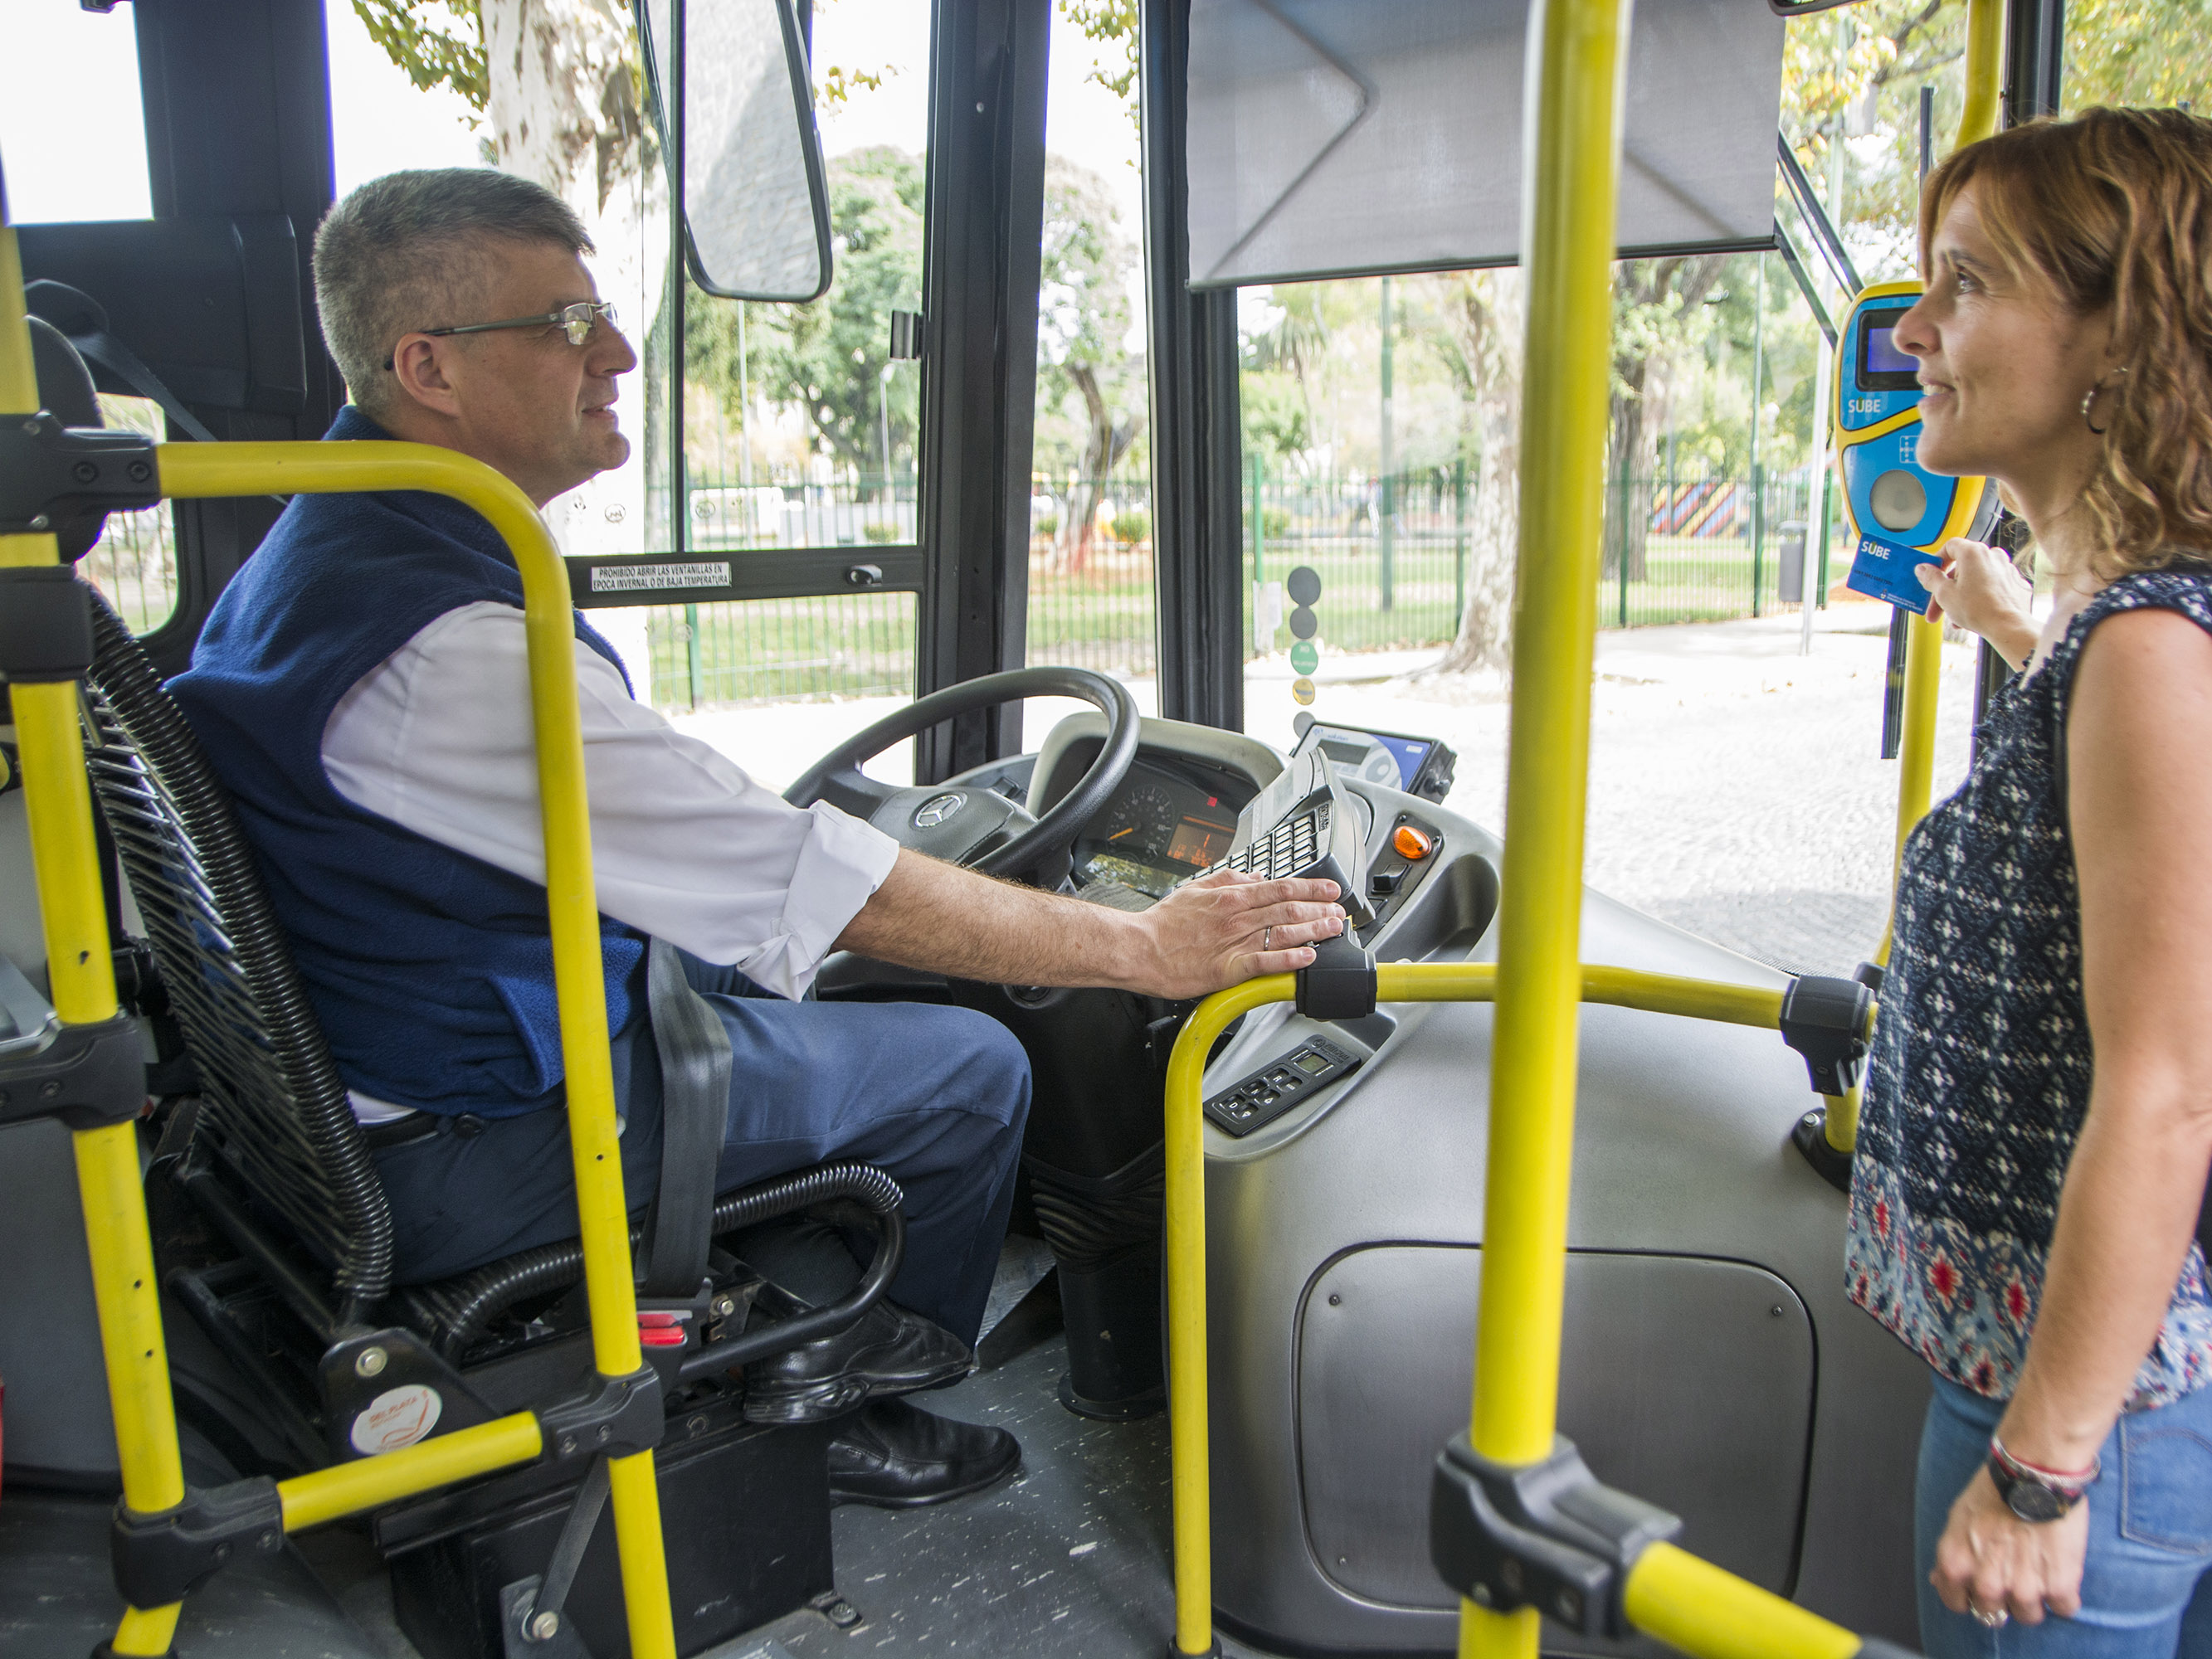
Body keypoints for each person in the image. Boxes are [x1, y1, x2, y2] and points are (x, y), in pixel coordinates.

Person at [168, 168, 1345, 1506]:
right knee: (968, 1065)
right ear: (427, 368)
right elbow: (816, 886)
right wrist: (1146, 946)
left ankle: (787, 1321)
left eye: (603, 313)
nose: (615, 353)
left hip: (375, 1083)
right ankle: (843, 1399)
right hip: (467, 1143)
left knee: (814, 993)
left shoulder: (324, 552)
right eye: (565, 324)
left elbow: (680, 848)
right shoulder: (458, 655)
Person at [1844, 108, 2212, 1656]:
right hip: (2159, 1387)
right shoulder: (2154, 635)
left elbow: (2164, 1097)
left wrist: (2042, 1469)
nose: (1916, 335)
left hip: (2098, 1413)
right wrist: (2026, 632)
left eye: (1966, 286)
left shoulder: (2157, 654)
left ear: (2122, 342)